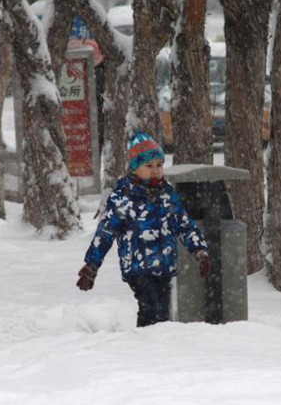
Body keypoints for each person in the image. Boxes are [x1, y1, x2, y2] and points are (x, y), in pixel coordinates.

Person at [76, 132, 212, 327]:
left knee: (163, 311)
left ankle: (157, 346)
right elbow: (105, 234)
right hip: (138, 265)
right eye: (148, 166)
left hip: (164, 264)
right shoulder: (123, 197)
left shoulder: (167, 194)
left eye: (159, 165)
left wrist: (200, 251)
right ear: (135, 168)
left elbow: (185, 224)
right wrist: (92, 266)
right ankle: (145, 345)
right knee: (150, 307)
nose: (155, 171)